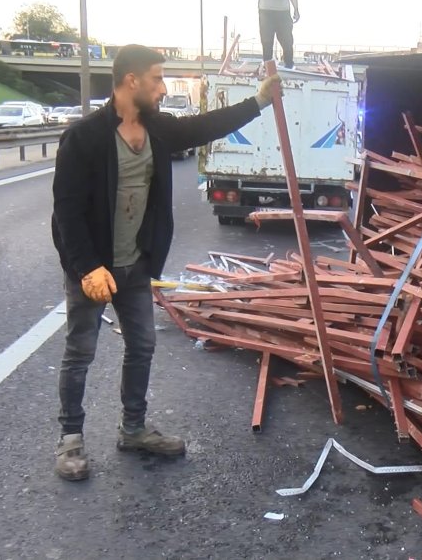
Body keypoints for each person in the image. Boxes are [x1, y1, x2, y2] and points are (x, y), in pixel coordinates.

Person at [50, 44, 281, 481]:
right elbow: (67, 210)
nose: (161, 88)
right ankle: (70, 440)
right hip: (95, 270)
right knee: (80, 352)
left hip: (136, 264)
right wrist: (85, 267)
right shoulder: (84, 137)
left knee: (142, 346)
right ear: (131, 80)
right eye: (156, 78)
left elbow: (205, 126)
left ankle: (133, 429)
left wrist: (259, 101)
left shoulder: (157, 129)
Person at [258, 0, 300, 69]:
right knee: (267, 41)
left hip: (283, 11)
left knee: (287, 41)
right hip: (266, 10)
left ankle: (289, 65)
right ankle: (268, 65)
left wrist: (296, 9)